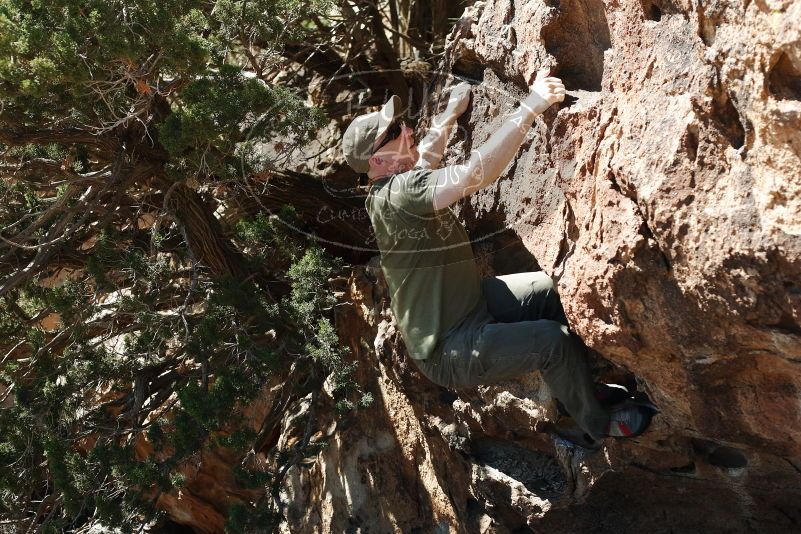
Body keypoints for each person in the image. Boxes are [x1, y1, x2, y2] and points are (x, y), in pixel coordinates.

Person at [341, 69, 655, 444]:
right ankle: (597, 424)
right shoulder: (399, 192)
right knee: (551, 341)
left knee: (552, 291)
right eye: (393, 134)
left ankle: (579, 388)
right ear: (377, 162)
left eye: (402, 125)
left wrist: (448, 117)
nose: (406, 131)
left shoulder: (387, 190)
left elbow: (426, 157)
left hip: (469, 305)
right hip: (448, 347)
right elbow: (475, 175)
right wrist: (531, 106)